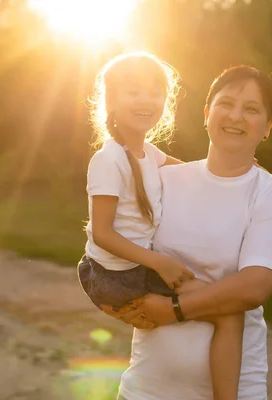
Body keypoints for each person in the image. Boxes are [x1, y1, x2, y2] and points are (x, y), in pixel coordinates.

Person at [100, 65, 272, 400]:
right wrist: (119, 303)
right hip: (146, 389)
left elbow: (254, 286)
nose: (235, 116)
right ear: (206, 114)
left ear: (268, 127)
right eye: (226, 104)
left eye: (251, 109)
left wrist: (173, 309)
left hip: (239, 390)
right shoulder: (163, 181)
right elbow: (113, 242)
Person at [77, 51, 246, 400]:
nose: (146, 100)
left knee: (221, 301)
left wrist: (236, 162)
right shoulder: (107, 160)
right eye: (134, 91)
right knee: (228, 311)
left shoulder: (149, 154)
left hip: (131, 269)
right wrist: (161, 263)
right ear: (111, 102)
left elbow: (195, 174)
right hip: (118, 276)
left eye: (156, 92)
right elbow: (103, 233)